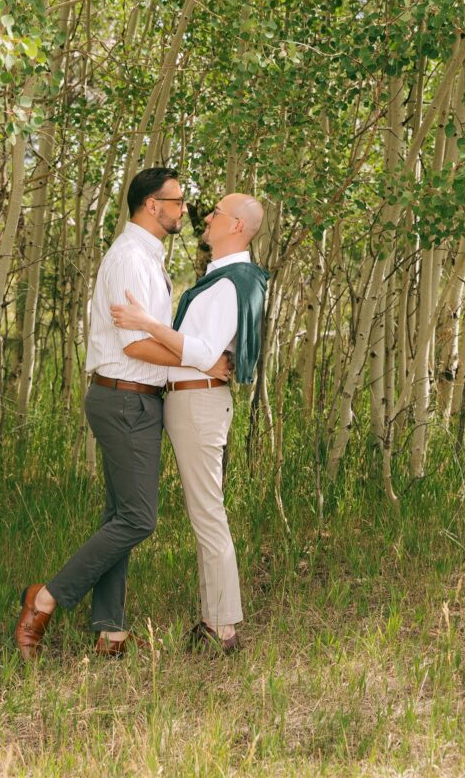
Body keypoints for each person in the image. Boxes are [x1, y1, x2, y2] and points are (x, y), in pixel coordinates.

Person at [14, 167, 231, 660]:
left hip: (134, 398)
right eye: (176, 201)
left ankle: (110, 630)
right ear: (152, 206)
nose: (183, 209)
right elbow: (135, 344)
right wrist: (200, 359)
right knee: (138, 519)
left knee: (119, 514)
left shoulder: (147, 257)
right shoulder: (131, 258)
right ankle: (44, 600)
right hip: (125, 396)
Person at [111, 192, 268, 653]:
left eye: (218, 212)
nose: (208, 216)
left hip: (198, 405)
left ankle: (222, 629)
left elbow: (202, 351)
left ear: (237, 226)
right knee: (205, 513)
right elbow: (206, 354)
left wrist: (145, 322)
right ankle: (213, 620)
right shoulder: (227, 278)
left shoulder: (230, 282)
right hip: (194, 402)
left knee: (207, 515)